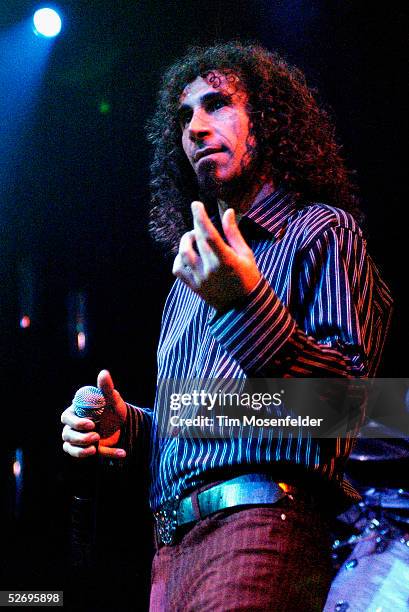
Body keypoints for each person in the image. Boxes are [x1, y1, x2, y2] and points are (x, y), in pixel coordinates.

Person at [61, 42, 392, 610]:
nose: (195, 127)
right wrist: (129, 426)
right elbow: (201, 425)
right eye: (185, 116)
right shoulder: (185, 282)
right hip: (170, 549)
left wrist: (244, 307)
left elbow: (352, 410)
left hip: (263, 528)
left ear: (268, 122)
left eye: (217, 104)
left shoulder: (319, 231)